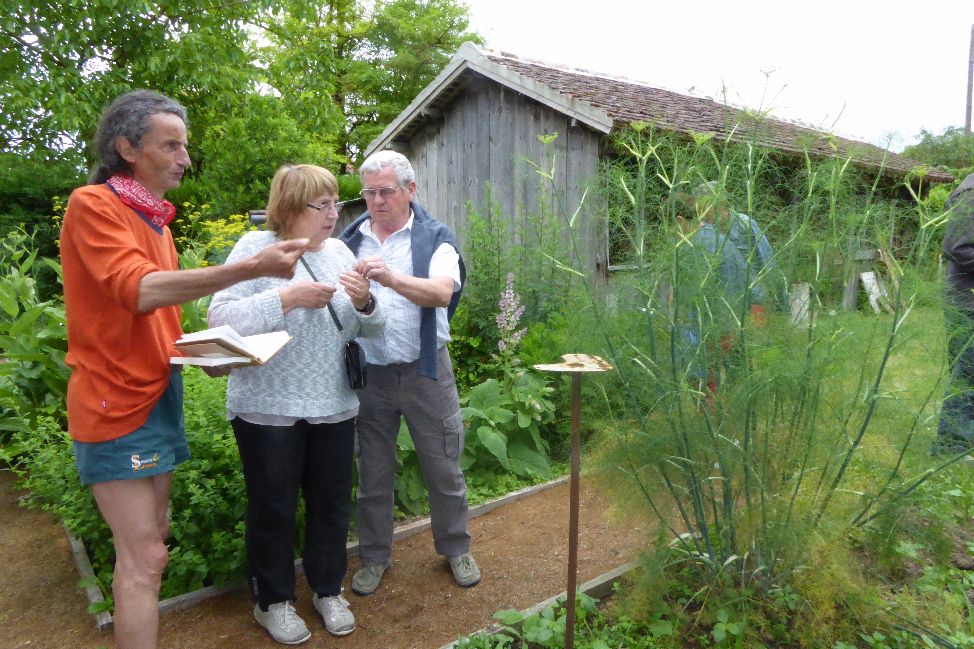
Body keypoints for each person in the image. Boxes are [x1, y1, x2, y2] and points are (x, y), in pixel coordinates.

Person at [59, 90, 308, 649]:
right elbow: (139, 290)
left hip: (158, 395)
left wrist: (208, 355)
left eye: (184, 145)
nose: (185, 158)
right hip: (113, 403)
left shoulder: (159, 226)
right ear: (126, 147)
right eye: (170, 145)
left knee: (158, 537)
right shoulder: (93, 205)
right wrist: (247, 267)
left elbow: (158, 320)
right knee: (144, 557)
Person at [207, 164, 384, 645]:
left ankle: (328, 589)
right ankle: (273, 601)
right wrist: (285, 298)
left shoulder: (342, 252)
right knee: (273, 507)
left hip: (335, 403)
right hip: (267, 407)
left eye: (335, 203)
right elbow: (219, 316)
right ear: (290, 207)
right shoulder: (253, 248)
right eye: (321, 205)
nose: (334, 214)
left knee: (330, 503)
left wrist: (367, 304)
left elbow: (369, 327)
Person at [338, 149, 480, 595]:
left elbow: (440, 292)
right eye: (370, 193)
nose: (377, 201)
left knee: (443, 466)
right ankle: (375, 557)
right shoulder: (349, 241)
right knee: (374, 472)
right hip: (371, 376)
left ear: (410, 190)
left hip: (426, 371)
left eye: (386, 191)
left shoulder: (436, 238)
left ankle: (456, 548)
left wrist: (389, 279)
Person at [673, 191, 749, 399]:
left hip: (708, 328)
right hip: (733, 323)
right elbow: (745, 279)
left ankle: (710, 422)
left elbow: (687, 304)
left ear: (680, 221)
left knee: (705, 385)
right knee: (730, 384)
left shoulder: (691, 247)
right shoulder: (722, 240)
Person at [694, 180, 788, 321]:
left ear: (721, 204)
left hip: (754, 301)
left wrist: (781, 303)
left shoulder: (745, 224)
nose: (701, 214)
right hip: (722, 307)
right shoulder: (704, 232)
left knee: (753, 340)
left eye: (705, 208)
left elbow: (768, 262)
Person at [936, 172, 974, 455]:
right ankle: (951, 445)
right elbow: (958, 248)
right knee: (966, 374)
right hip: (967, 303)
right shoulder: (971, 193)